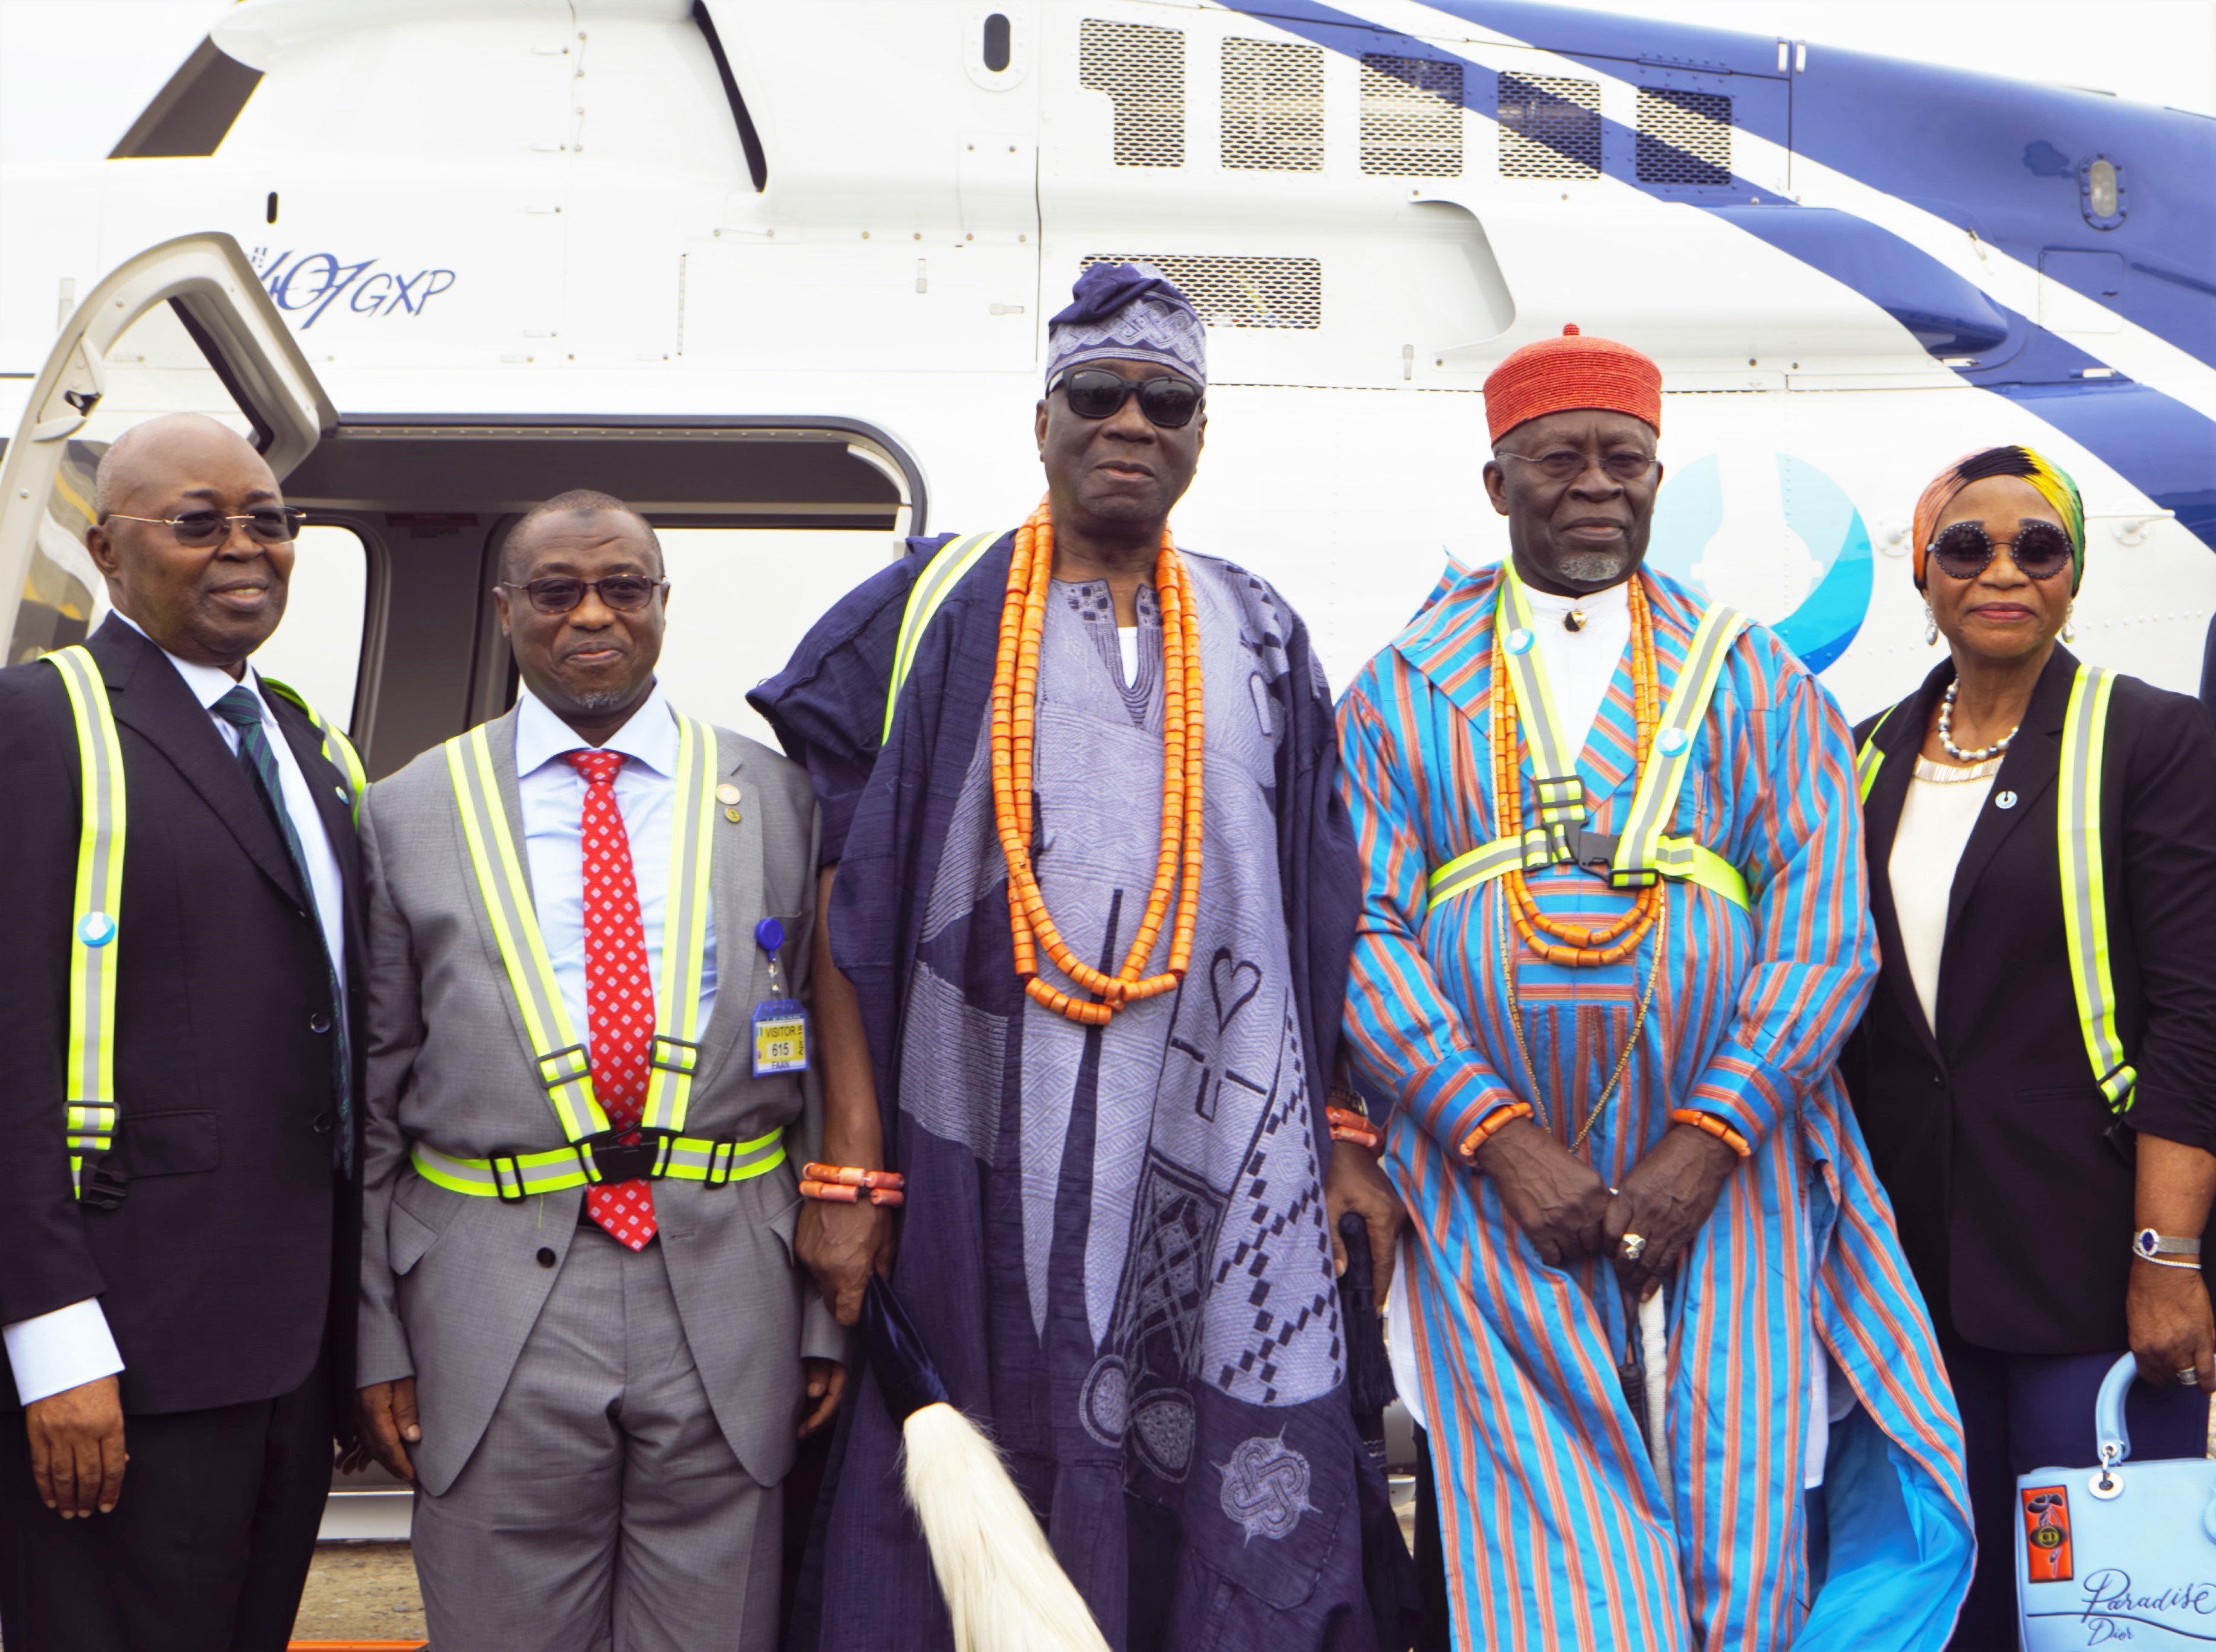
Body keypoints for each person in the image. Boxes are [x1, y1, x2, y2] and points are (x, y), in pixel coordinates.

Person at [752, 264, 1396, 1651]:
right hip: (976, 1153)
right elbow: (836, 900)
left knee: (1223, 1501)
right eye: (1096, 395)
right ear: (1039, 419)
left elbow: (1321, 908)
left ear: (1199, 436)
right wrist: (851, 1163)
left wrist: (1344, 1136)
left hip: (1220, 1161)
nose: (1130, 423)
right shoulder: (925, 610)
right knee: (975, 1472)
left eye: (1165, 402)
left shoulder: (1264, 633)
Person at [1336, 326, 1976, 1650]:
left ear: (1653, 478)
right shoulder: (1400, 688)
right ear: (1494, 483)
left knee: (1735, 1506)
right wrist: (1499, 1143)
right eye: (1557, 458)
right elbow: (1362, 936)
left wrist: (1702, 1147)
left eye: (1622, 459)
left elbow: (1820, 941)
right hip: (1486, 1184)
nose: (1593, 485)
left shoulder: (1751, 677)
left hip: (1729, 1171)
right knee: (1536, 1529)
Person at [352, 490, 844, 1651]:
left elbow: (826, 1067)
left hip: (728, 1282)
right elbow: (372, 1101)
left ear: (663, 605)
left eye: (624, 588)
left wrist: (824, 1317)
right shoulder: (409, 809)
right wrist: (377, 1335)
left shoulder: (775, 798)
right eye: (558, 591)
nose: (593, 617)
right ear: (506, 610)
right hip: (490, 1295)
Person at [0, 413, 365, 1650]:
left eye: (268, 521)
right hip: (125, 1349)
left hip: (289, 1352)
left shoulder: (313, 750)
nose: (243, 549)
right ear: (107, 550)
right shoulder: (39, 725)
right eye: (197, 523)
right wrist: (53, 1347)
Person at [1846, 446, 2216, 1650]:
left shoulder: (2149, 740)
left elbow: (2194, 1013)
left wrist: (2165, 1256)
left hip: (2089, 1272)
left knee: (2102, 1616)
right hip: (1901, 1287)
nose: (2000, 569)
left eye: (2035, 546)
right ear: (1922, 572)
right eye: (1966, 546)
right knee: (1946, 1613)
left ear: (2068, 577)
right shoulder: (1858, 755)